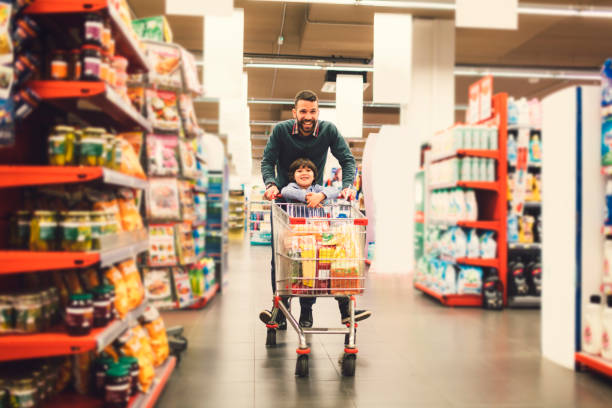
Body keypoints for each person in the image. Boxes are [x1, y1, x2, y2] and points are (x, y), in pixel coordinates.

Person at [259, 89, 372, 329]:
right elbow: (268, 161)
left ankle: (307, 312)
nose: (308, 116)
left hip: (315, 204)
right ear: (294, 113)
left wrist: (348, 186)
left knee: (314, 256)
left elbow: (348, 160)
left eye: (312, 111)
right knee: (283, 258)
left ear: (318, 112)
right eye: (303, 111)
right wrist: (270, 184)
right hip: (284, 203)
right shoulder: (281, 131)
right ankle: (280, 309)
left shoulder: (328, 130)